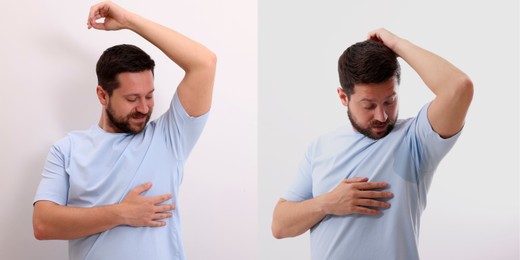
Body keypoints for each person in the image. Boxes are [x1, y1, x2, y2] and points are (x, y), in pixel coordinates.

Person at [32, 1, 216, 259]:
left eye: (149, 96)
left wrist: (129, 21)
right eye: (132, 99)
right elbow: (43, 224)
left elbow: (204, 63)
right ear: (102, 95)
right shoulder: (68, 149)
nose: (143, 108)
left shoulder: (169, 138)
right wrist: (121, 213)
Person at [271, 28, 473, 260]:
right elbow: (279, 225)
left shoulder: (415, 140)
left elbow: (459, 87)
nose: (382, 116)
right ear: (343, 97)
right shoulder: (320, 148)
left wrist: (397, 44)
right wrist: (328, 203)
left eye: (390, 101)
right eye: (369, 105)